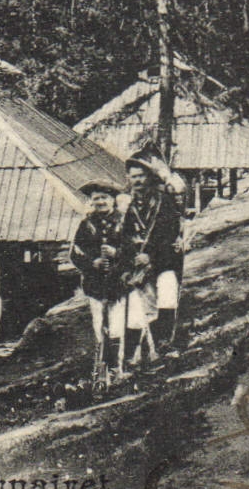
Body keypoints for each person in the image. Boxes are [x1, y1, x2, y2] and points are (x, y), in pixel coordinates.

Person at [124, 148, 188, 359]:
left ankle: (166, 341)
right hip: (141, 263)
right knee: (149, 303)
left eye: (141, 175)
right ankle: (158, 346)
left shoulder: (163, 200)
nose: (138, 181)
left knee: (168, 295)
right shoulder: (130, 206)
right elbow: (125, 235)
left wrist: (150, 254)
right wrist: (134, 253)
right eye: (134, 177)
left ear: (148, 177)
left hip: (164, 258)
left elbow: (169, 231)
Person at [69, 179, 127, 377]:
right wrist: (92, 263)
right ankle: (100, 368)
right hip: (95, 285)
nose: (100, 202)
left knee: (117, 325)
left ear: (113, 200)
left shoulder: (124, 221)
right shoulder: (86, 225)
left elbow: (136, 249)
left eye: (104, 198)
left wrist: (116, 253)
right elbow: (75, 254)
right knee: (99, 325)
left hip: (118, 283)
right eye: (96, 199)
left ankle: (116, 368)